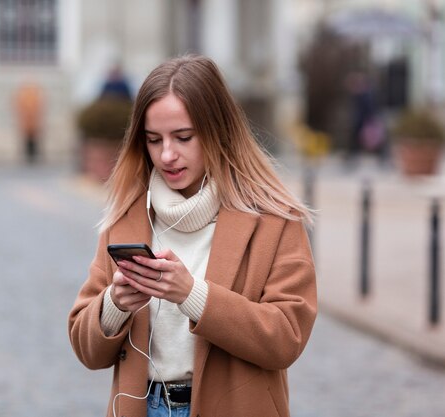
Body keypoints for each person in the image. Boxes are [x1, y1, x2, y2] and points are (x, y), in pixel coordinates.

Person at [68, 55, 317, 417]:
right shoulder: (126, 217)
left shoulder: (274, 218)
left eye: (183, 137)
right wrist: (115, 303)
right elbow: (86, 349)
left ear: (219, 131)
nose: (167, 155)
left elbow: (287, 338)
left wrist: (192, 295)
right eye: (154, 140)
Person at [14, 83, 44, 163]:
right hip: (28, 121)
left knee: (33, 139)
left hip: (32, 121)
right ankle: (29, 155)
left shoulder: (33, 95)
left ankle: (33, 154)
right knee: (27, 139)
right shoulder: (25, 95)